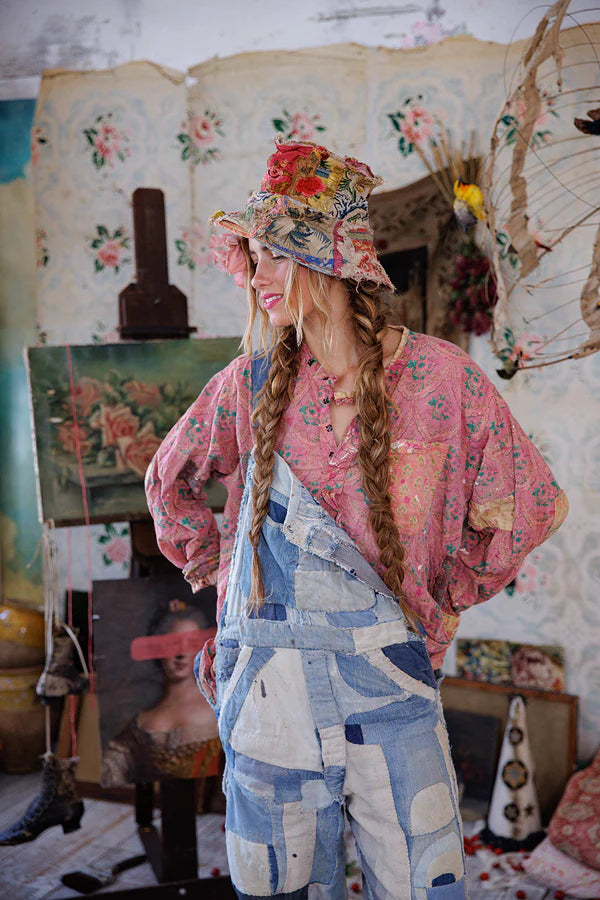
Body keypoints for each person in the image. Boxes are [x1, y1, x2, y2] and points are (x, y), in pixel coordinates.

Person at [145, 139, 568, 899]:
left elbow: (533, 505)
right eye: (254, 258)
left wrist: (442, 602)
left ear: (329, 262)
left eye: (276, 257)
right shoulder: (248, 384)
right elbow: (167, 481)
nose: (257, 278)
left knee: (418, 881)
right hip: (270, 696)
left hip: (392, 690)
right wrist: (220, 577)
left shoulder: (441, 379)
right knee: (279, 888)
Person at [101, 599, 221, 786]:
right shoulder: (140, 724)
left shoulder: (219, 706)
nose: (181, 654)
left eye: (190, 643)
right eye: (173, 643)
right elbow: (109, 772)